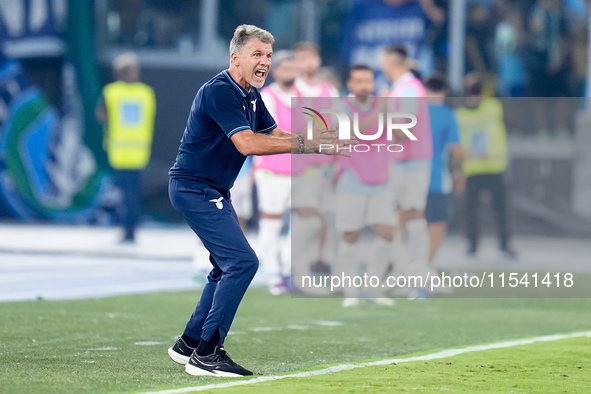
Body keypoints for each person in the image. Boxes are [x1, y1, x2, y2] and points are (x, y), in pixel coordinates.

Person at [166, 25, 348, 378]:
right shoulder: (220, 91)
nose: (264, 61)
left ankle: (188, 343)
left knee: (226, 265)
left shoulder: (249, 93)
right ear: (235, 58)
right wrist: (307, 145)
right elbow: (248, 144)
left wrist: (314, 139)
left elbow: (272, 133)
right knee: (243, 263)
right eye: (257, 55)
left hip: (213, 189)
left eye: (267, 55)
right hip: (194, 188)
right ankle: (207, 353)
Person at [336, 65, 396, 307]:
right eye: (358, 81)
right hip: (352, 178)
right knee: (351, 234)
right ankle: (351, 291)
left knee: (387, 233)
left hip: (382, 178)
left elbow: (399, 135)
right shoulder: (342, 106)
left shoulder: (383, 105)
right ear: (350, 84)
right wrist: (380, 110)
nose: (364, 86)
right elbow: (352, 132)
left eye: (368, 81)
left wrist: (389, 111)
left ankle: (373, 287)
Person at [381, 45, 433, 282]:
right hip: (401, 160)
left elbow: (405, 127)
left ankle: (416, 269)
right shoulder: (399, 89)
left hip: (412, 161)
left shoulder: (410, 89)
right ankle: (404, 270)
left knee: (412, 214)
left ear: (392, 63)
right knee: (400, 215)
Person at [95, 52, 156, 243]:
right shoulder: (146, 93)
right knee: (133, 193)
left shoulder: (111, 92)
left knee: (123, 193)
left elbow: (101, 115)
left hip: (119, 151)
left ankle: (127, 229)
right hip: (139, 151)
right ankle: (131, 227)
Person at [455, 73, 516, 259]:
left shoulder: (493, 107)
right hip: (473, 169)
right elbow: (457, 145)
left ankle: (505, 245)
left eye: (477, 90)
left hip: (495, 167)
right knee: (471, 211)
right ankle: (472, 246)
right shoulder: (460, 115)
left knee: (501, 210)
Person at [257, 50, 299, 295]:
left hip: (298, 172)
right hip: (272, 172)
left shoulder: (302, 98)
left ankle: (288, 268)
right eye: (286, 68)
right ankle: (273, 273)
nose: (290, 73)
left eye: (293, 68)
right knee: (271, 224)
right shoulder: (267, 97)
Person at [424, 75, 464, 265]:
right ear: (445, 93)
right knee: (437, 224)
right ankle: (424, 266)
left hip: (407, 176)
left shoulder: (414, 113)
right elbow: (456, 150)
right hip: (435, 178)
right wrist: (459, 171)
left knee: (411, 224)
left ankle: (404, 267)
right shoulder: (447, 115)